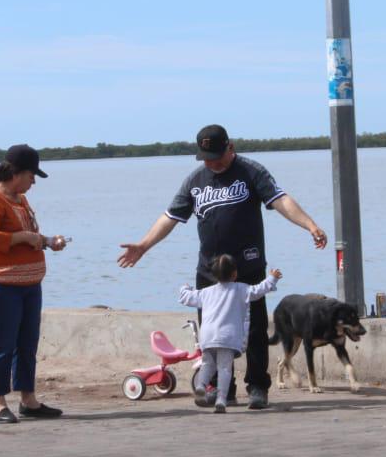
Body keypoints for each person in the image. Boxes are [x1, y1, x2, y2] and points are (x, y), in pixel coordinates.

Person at [118, 124, 327, 410]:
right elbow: (170, 217)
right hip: (210, 271)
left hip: (248, 266)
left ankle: (257, 387)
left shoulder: (251, 171)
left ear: (231, 148)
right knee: (212, 333)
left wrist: (310, 225)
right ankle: (220, 390)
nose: (212, 163)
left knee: (253, 329)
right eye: (206, 158)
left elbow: (281, 200)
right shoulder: (195, 180)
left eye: (216, 156)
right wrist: (143, 245)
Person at [0, 144, 69, 425]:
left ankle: (28, 399)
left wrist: (48, 241)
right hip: (0, 283)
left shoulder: (20, 200)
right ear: (16, 173)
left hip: (28, 283)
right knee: (3, 343)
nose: (33, 182)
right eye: (31, 176)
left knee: (27, 343)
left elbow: (27, 233)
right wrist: (26, 239)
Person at [178, 255, 281, 412]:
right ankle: (221, 399)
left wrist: (184, 288)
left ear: (214, 275)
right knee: (224, 368)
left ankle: (201, 385)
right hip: (227, 338)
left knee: (208, 364)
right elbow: (258, 290)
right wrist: (272, 278)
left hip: (207, 337)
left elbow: (188, 298)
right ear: (234, 274)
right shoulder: (241, 289)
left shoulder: (206, 292)